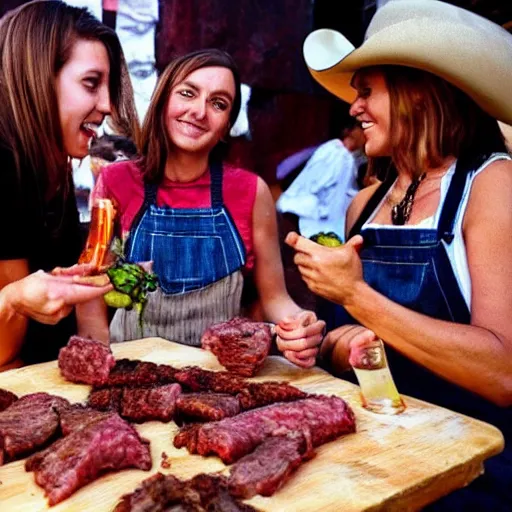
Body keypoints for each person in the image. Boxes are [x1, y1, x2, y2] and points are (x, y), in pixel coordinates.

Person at [288, 0, 512, 508]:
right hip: (379, 459)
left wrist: (355, 295)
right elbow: (358, 345)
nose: (354, 107)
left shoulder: (493, 185)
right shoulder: (363, 206)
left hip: (475, 473)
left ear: (417, 90)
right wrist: (322, 342)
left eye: (367, 91)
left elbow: (503, 373)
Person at [90, 49, 325, 368]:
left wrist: (299, 325)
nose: (199, 112)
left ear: (227, 124)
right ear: (163, 100)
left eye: (218, 103)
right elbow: (90, 287)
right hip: (132, 373)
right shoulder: (114, 182)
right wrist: (97, 363)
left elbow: (275, 299)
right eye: (188, 93)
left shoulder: (250, 191)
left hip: (220, 379)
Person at [0, 0, 139, 368]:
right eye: (91, 83)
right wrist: (14, 299)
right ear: (38, 76)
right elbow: (4, 353)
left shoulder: (51, 168)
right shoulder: (6, 166)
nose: (109, 105)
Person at [277, 118, 366, 241]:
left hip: (327, 220)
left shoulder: (354, 158)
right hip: (309, 216)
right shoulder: (336, 152)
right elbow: (314, 184)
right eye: (361, 129)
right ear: (353, 130)